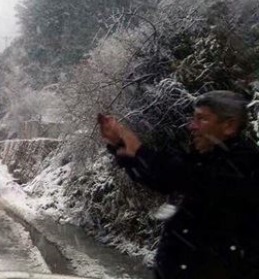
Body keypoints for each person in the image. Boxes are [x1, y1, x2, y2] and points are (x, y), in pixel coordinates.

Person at [99, 90, 259, 279]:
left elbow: (186, 178)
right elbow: (161, 178)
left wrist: (139, 152)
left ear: (229, 125)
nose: (192, 126)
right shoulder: (205, 159)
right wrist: (121, 146)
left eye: (201, 119)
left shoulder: (244, 165)